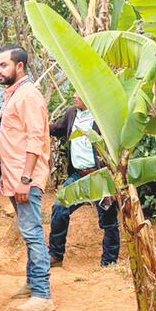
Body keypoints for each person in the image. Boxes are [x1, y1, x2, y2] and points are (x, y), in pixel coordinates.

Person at [0, 44, 54, 311]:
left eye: (3, 65)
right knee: (29, 231)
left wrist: (25, 178)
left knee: (32, 233)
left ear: (20, 66)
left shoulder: (28, 95)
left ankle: (43, 294)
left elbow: (35, 138)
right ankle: (32, 284)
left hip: (25, 177)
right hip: (15, 177)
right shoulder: (13, 94)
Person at [48, 95, 120, 268]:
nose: (74, 96)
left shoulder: (102, 116)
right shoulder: (72, 113)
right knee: (60, 208)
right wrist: (39, 122)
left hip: (101, 176)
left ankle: (109, 262)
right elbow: (57, 129)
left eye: (79, 93)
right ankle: (56, 255)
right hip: (78, 175)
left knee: (108, 220)